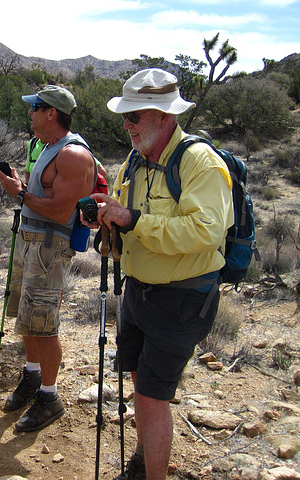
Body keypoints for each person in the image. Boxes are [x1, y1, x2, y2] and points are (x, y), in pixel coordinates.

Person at [83, 69, 234, 480]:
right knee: (139, 381)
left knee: (150, 395)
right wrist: (108, 216)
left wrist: (132, 219)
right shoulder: (135, 162)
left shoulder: (199, 161)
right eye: (125, 116)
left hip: (182, 298)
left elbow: (207, 231)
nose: (127, 125)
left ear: (164, 117)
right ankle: (144, 460)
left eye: (135, 116)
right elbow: (126, 213)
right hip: (140, 291)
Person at [0, 85, 98, 432]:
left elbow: (60, 211)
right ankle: (32, 376)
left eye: (35, 107)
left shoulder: (72, 155)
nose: (30, 113)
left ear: (51, 112)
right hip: (32, 241)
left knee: (44, 321)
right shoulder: (48, 147)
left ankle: (50, 397)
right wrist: (24, 188)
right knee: (28, 317)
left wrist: (20, 192)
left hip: (49, 247)